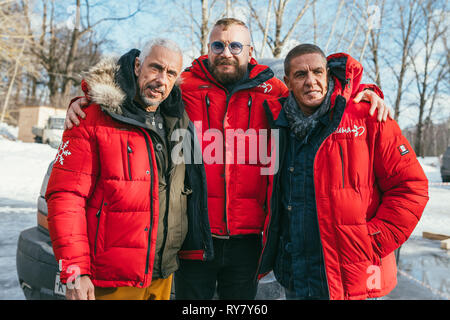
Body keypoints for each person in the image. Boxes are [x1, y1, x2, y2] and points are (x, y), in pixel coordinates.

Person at [64, 19, 390, 300]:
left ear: (251, 51)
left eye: (236, 45)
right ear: (208, 49)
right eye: (218, 45)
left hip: (249, 241)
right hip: (194, 238)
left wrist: (365, 91)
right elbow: (130, 90)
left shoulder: (275, 91)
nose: (226, 52)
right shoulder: (182, 86)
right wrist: (86, 98)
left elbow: (320, 94)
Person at [257, 44, 429, 300]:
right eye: (301, 75)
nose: (311, 81)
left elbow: (411, 187)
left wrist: (370, 240)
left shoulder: (366, 115)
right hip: (296, 275)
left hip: (353, 277)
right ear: (288, 82)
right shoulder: (277, 126)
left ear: (328, 75)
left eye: (317, 72)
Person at [45, 38, 212, 300]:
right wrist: (75, 269)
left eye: (171, 73)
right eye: (155, 68)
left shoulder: (177, 118)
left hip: (162, 275)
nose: (161, 80)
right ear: (137, 65)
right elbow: (66, 196)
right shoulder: (92, 116)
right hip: (110, 279)